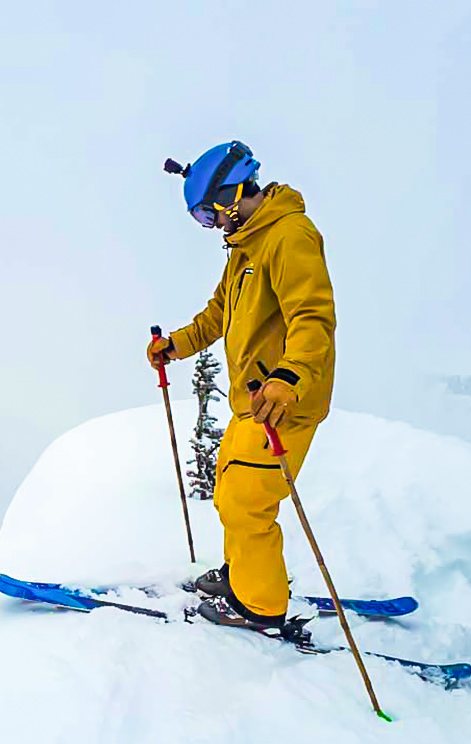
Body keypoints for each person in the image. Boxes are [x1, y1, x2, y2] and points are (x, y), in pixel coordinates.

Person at [149, 141, 336, 631]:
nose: (212, 227)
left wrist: (290, 375)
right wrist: (177, 345)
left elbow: (312, 315)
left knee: (249, 502)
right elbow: (218, 313)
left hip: (283, 401)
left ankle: (261, 606)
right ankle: (243, 575)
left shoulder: (289, 235)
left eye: (209, 216)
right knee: (230, 491)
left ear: (231, 196)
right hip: (253, 399)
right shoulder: (246, 247)